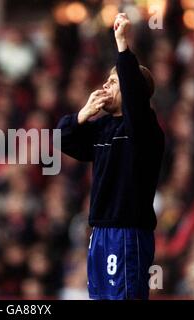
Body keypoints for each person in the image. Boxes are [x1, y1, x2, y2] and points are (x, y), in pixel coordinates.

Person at [57, 13, 164, 300]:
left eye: (114, 81)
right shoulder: (103, 129)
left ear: (132, 91)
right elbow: (60, 140)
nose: (106, 86)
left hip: (128, 232)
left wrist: (121, 43)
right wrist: (81, 116)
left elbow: (134, 96)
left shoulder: (144, 128)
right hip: (101, 231)